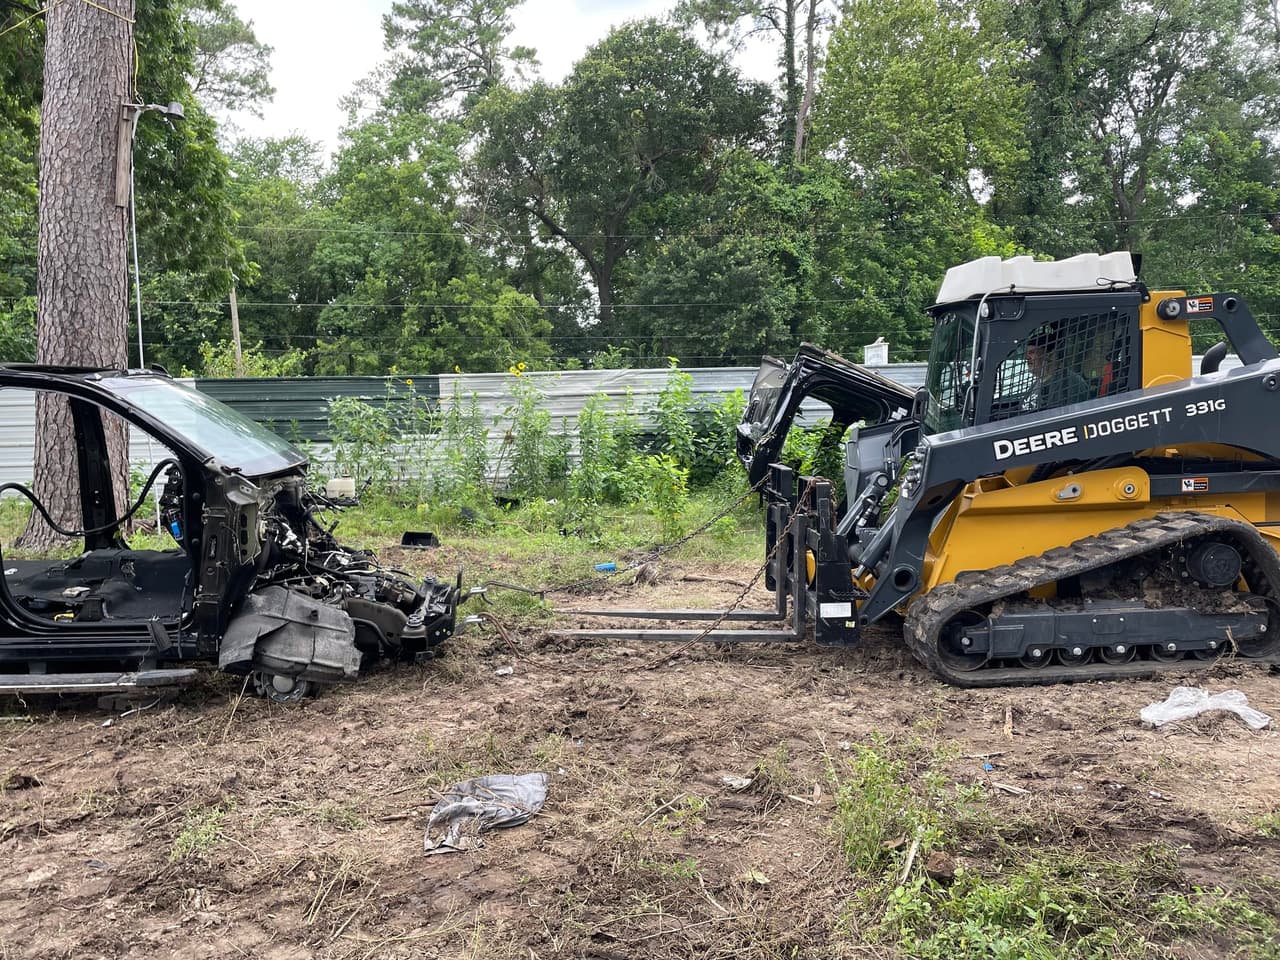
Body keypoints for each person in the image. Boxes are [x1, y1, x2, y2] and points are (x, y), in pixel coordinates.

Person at [1022, 326, 1092, 411]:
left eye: (1032, 352)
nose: (1027, 358)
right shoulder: (1036, 385)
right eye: (1026, 354)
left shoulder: (1070, 384)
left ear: (1050, 355)